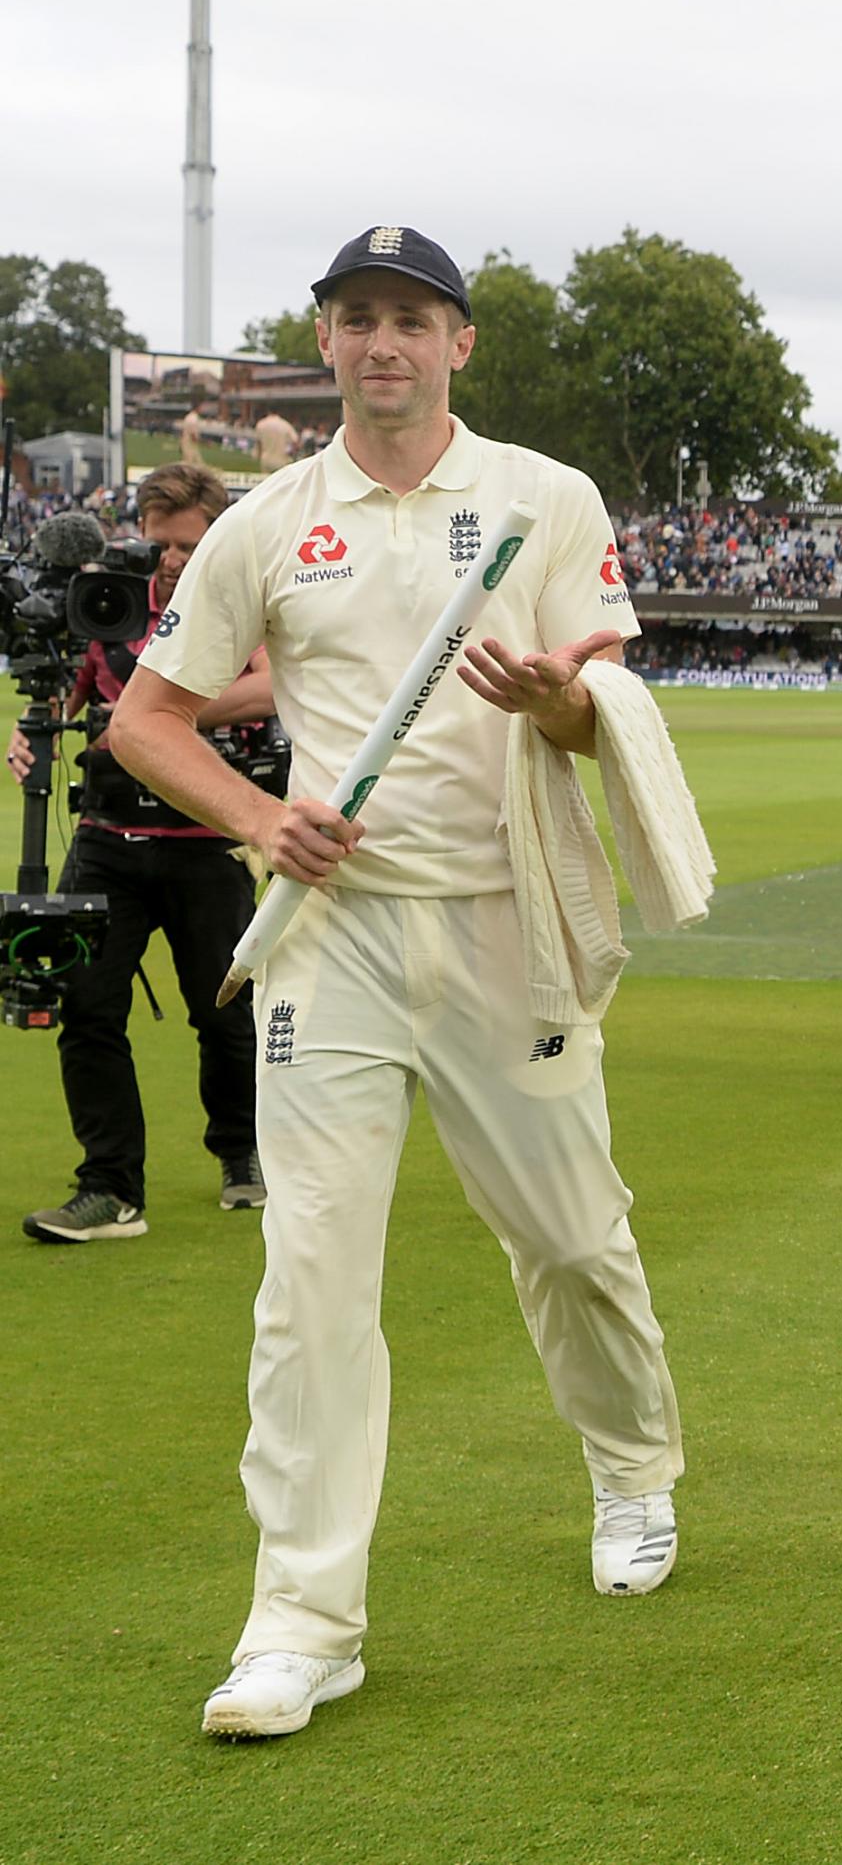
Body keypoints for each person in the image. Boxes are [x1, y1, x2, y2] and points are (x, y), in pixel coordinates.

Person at [110, 226, 691, 1737]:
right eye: (357, 318)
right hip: (335, 935)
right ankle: (302, 1617)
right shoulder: (267, 522)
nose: (383, 343)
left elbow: (603, 700)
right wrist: (259, 816)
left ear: (458, 345)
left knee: (569, 1235)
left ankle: (633, 1466)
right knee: (308, 1278)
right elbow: (146, 719)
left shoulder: (541, 499)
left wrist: (564, 698)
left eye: (411, 320)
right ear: (327, 342)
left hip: (506, 921)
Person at [13, 463, 277, 1242]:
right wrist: (28, 744)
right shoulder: (108, 605)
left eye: (187, 543)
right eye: (159, 542)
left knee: (223, 1014)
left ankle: (242, 1152)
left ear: (216, 535)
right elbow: (63, 702)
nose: (169, 560)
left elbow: (273, 687)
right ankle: (110, 1188)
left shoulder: (239, 604)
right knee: (86, 1009)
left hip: (207, 842)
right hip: (106, 839)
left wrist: (155, 717)